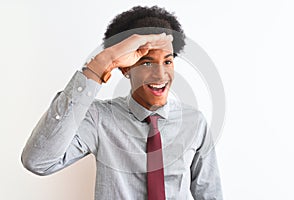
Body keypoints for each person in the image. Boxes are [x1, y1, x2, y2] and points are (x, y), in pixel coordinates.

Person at [21, 5, 223, 200]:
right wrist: (103, 62)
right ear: (126, 69)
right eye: (147, 62)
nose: (161, 74)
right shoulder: (99, 118)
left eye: (168, 61)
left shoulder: (194, 123)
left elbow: (210, 195)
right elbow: (38, 162)